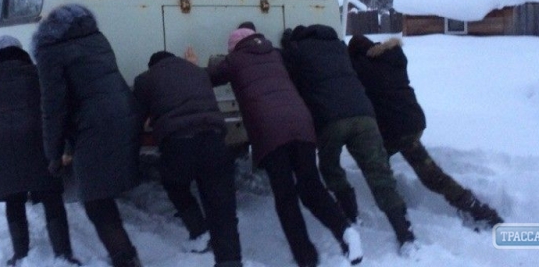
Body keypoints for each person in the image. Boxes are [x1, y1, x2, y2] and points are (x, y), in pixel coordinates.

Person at [189, 27, 362, 267]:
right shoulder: (276, 54)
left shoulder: (235, 60)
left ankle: (306, 257)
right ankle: (345, 231)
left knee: (286, 198)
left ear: (234, 46)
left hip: (270, 130)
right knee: (312, 187)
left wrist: (190, 65)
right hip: (301, 123)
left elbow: (204, 79)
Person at [281, 24, 416, 255]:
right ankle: (405, 233)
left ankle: (350, 218)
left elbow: (290, 77)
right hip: (364, 115)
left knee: (330, 167)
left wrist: (287, 44)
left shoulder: (297, 49)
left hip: (329, 120)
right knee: (379, 173)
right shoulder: (339, 46)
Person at [347, 35, 504, 230]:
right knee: (421, 170)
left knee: (382, 168)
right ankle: (472, 205)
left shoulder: (363, 68)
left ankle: (397, 207)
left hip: (396, 130)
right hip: (413, 122)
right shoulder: (391, 58)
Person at [32, 4, 143, 267]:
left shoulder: (49, 52)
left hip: (95, 124)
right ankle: (124, 255)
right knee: (101, 193)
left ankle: (125, 259)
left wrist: (53, 155)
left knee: (95, 200)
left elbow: (53, 109)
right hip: (126, 113)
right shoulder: (95, 37)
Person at [133, 50, 243, 267]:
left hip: (179, 143)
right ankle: (230, 261)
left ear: (152, 66)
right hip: (214, 139)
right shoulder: (198, 72)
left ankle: (199, 231)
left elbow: (136, 117)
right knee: (221, 205)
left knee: (175, 184)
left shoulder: (145, 79)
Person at [0, 35, 80, 266]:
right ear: (20, 52)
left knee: (13, 199)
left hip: (2, 144)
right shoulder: (36, 73)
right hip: (36, 137)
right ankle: (63, 253)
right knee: (51, 196)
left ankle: (20, 254)